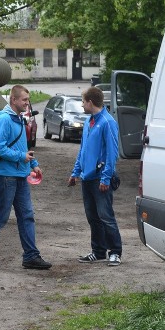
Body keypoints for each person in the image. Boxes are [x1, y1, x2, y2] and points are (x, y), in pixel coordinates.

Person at [0, 85, 51, 270]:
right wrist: (20, 158)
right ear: (13, 100)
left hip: (20, 175)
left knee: (26, 216)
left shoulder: (19, 119)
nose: (27, 103)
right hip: (6, 176)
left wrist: (33, 164)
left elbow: (22, 147)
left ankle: (31, 256)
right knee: (0, 217)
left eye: (28, 99)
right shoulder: (5, 119)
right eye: (24, 100)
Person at [68, 86, 123, 266]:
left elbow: (112, 153)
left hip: (100, 178)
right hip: (87, 177)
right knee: (93, 217)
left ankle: (115, 251)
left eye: (83, 101)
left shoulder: (107, 122)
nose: (82, 105)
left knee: (106, 216)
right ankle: (98, 251)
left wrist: (106, 178)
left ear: (90, 102)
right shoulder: (88, 122)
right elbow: (83, 151)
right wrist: (76, 172)